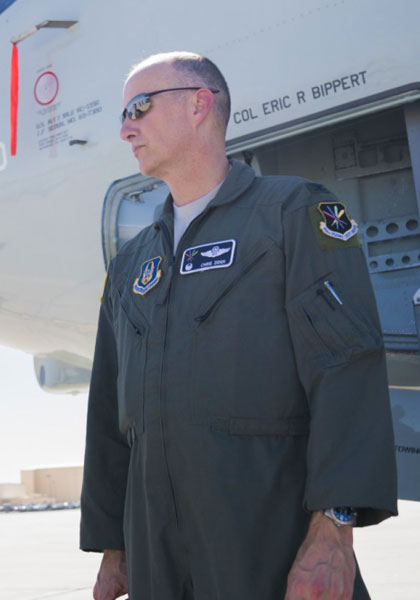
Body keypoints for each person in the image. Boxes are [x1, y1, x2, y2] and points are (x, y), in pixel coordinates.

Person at [80, 52, 398, 600]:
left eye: (139, 106)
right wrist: (114, 547)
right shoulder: (131, 265)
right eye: (122, 115)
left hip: (267, 546)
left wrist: (334, 529)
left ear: (199, 103)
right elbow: (111, 414)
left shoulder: (292, 214)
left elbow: (346, 368)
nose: (126, 127)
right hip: (156, 557)